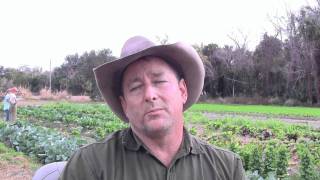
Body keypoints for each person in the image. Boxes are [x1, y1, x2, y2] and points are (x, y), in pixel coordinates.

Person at [59, 36, 245, 180]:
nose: (150, 95)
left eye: (159, 81)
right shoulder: (91, 166)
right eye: (136, 87)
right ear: (124, 105)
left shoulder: (226, 168)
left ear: (182, 91)